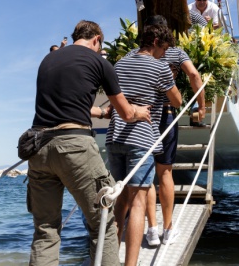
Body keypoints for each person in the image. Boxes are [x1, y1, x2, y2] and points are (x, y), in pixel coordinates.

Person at [27, 20, 152, 266]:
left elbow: (65, 102)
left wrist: (98, 113)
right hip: (75, 147)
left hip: (38, 147)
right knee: (104, 223)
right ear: (96, 39)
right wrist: (140, 112)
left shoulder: (47, 60)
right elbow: (126, 114)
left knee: (46, 230)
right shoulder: (99, 62)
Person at [124, 15, 206, 247]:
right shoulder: (177, 52)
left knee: (146, 174)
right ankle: (169, 230)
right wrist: (201, 106)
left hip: (143, 117)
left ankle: (151, 229)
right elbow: (194, 75)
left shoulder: (133, 55)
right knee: (165, 172)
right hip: (167, 113)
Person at [106, 24, 182, 266]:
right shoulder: (160, 67)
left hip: (115, 137)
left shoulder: (119, 64)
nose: (164, 54)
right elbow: (177, 100)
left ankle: (110, 259)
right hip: (141, 138)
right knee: (138, 203)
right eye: (164, 49)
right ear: (157, 42)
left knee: (120, 202)